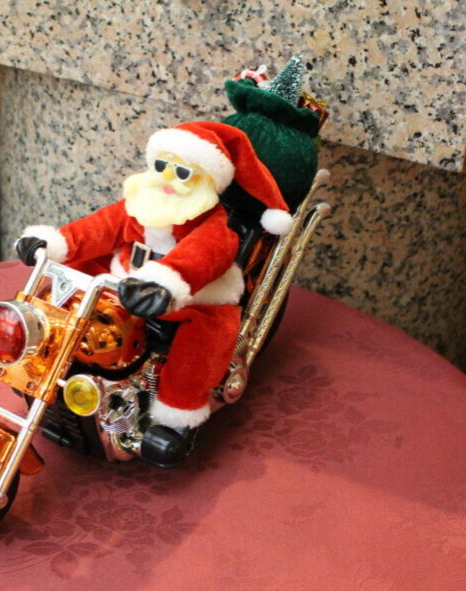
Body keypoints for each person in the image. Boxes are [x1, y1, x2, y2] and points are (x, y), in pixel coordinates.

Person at [15, 121, 292, 466]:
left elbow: (202, 255)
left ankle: (177, 414)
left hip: (193, 292)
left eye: (183, 173)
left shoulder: (214, 224)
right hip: (124, 280)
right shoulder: (141, 203)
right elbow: (99, 227)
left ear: (208, 180)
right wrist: (53, 243)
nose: (169, 178)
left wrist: (164, 282)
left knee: (206, 334)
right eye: (162, 166)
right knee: (67, 288)